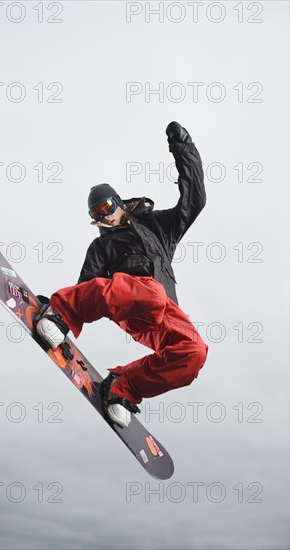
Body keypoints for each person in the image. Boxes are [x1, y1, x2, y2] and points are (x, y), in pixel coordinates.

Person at [36, 121, 208, 428]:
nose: (103, 217)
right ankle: (58, 312)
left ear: (119, 203)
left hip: (164, 310)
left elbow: (194, 200)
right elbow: (89, 289)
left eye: (105, 207)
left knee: (193, 352)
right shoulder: (101, 246)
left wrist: (183, 148)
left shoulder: (159, 227)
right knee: (150, 292)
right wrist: (63, 316)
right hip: (131, 303)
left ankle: (123, 387)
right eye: (96, 214)